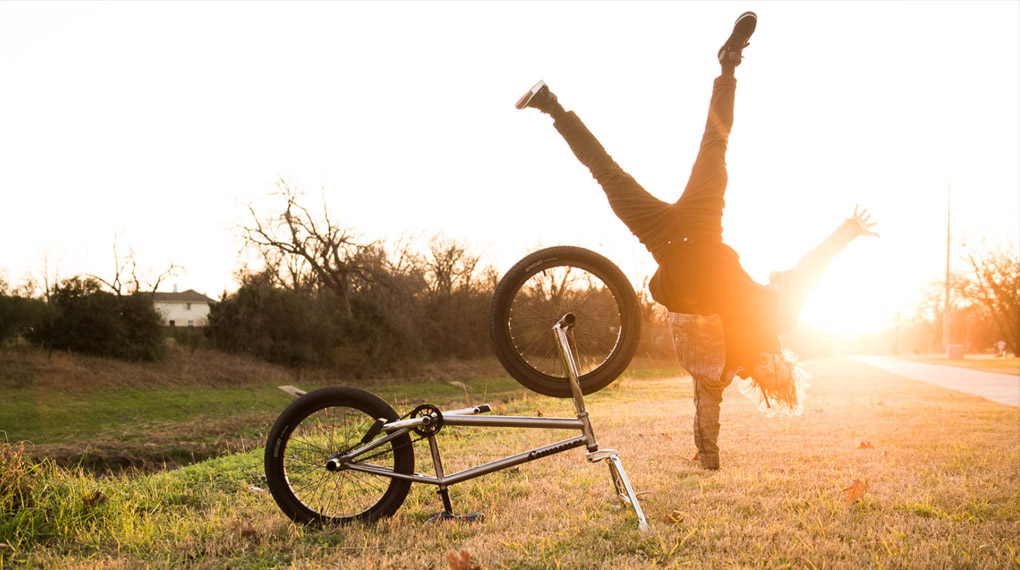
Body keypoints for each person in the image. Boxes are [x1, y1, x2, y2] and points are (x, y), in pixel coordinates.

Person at [516, 11, 878, 469]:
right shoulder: (781, 314)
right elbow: (811, 268)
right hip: (705, 223)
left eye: (771, 378)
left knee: (606, 173)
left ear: (762, 383)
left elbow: (707, 417)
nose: (771, 369)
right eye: (780, 367)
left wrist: (709, 460)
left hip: (661, 240)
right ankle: (729, 63)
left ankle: (550, 104)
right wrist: (848, 231)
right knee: (716, 141)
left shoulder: (717, 372)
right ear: (782, 359)